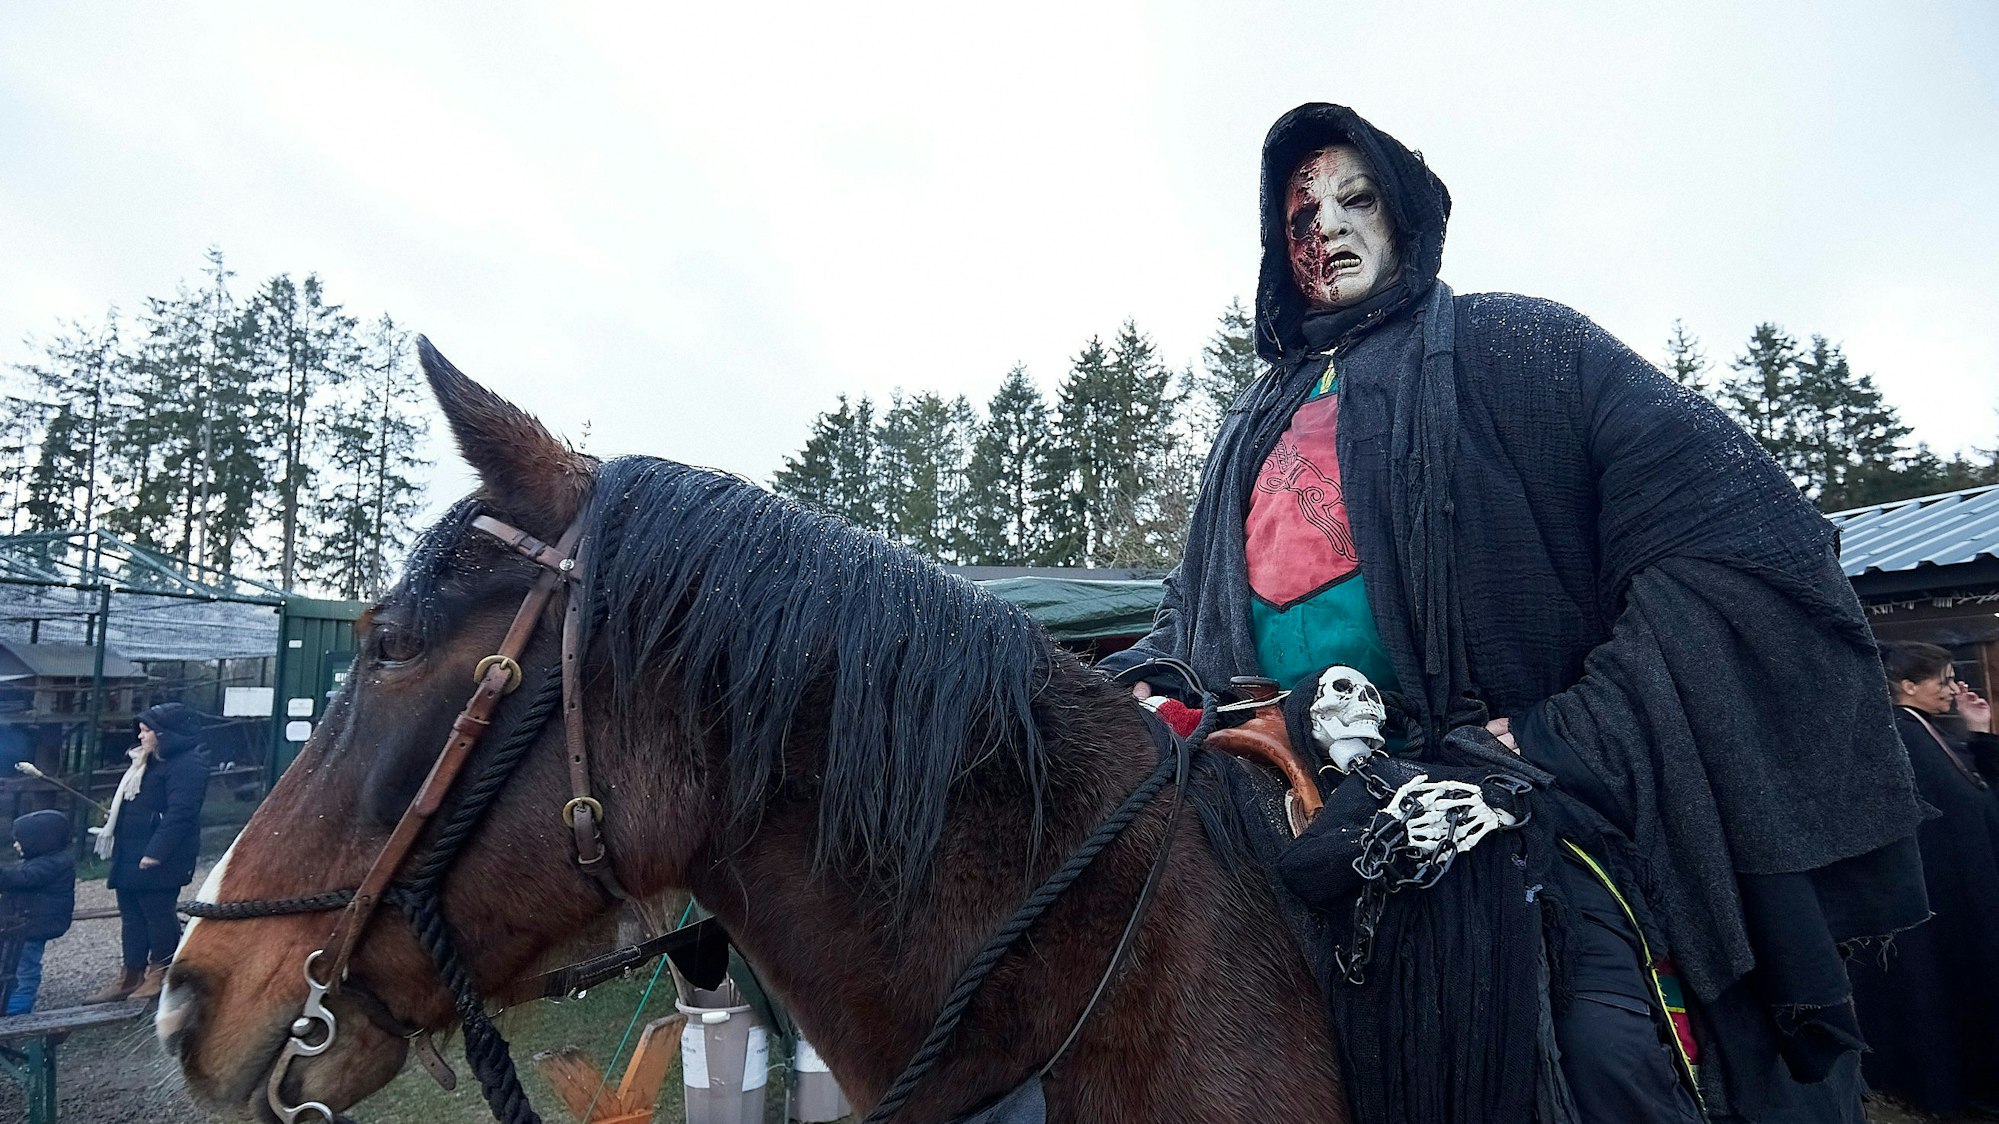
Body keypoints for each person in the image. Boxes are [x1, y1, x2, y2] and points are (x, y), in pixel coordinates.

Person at [1099, 103, 1928, 1123]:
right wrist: (1154, 672)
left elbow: (1741, 530)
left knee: (1602, 1048)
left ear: (1405, 214)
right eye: (1302, 213)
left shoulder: (1521, 349)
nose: (1331, 230)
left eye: (1358, 199)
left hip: (1501, 795)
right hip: (1266, 787)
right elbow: (1193, 605)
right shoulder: (1246, 423)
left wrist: (1564, 731)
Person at [1848, 642, 1999, 1114]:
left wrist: (1979, 732)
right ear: (1907, 687)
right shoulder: (1903, 739)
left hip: (1950, 902)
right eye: (1945, 680)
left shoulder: (1921, 734)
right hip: (1942, 909)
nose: (1955, 690)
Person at [84, 702, 212, 1003]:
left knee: (157, 915)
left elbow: (182, 812)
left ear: (166, 733)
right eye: (140, 731)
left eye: (147, 731)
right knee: (131, 915)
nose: (140, 737)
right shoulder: (146, 762)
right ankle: (131, 975)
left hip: (160, 855)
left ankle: (162, 972)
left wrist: (156, 851)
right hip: (131, 849)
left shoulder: (188, 764)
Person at [0, 809, 76, 1015]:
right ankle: (7, 1001)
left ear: (39, 841)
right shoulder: (43, 861)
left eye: (19, 840)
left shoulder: (52, 865)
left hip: (32, 929)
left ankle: (19, 1007)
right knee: (8, 965)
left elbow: (23, 879)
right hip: (20, 927)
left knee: (25, 970)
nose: (15, 845)